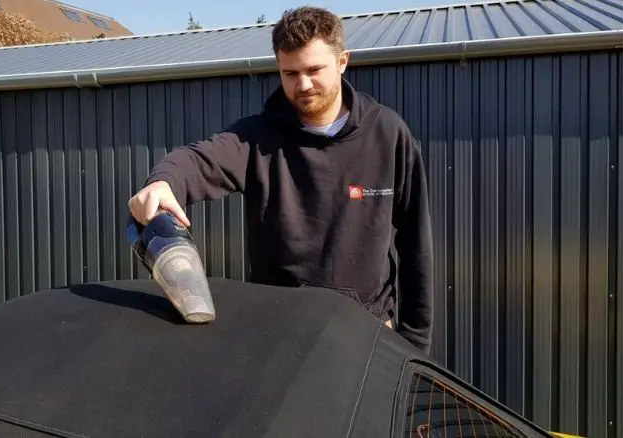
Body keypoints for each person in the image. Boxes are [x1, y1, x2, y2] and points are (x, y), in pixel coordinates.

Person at [128, 6, 434, 354]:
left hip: (366, 337)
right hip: (281, 339)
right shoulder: (258, 139)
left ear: (342, 61)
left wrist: (415, 345)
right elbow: (196, 160)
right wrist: (163, 182)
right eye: (290, 73)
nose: (302, 85)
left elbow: (415, 245)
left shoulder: (388, 134)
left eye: (314, 69)